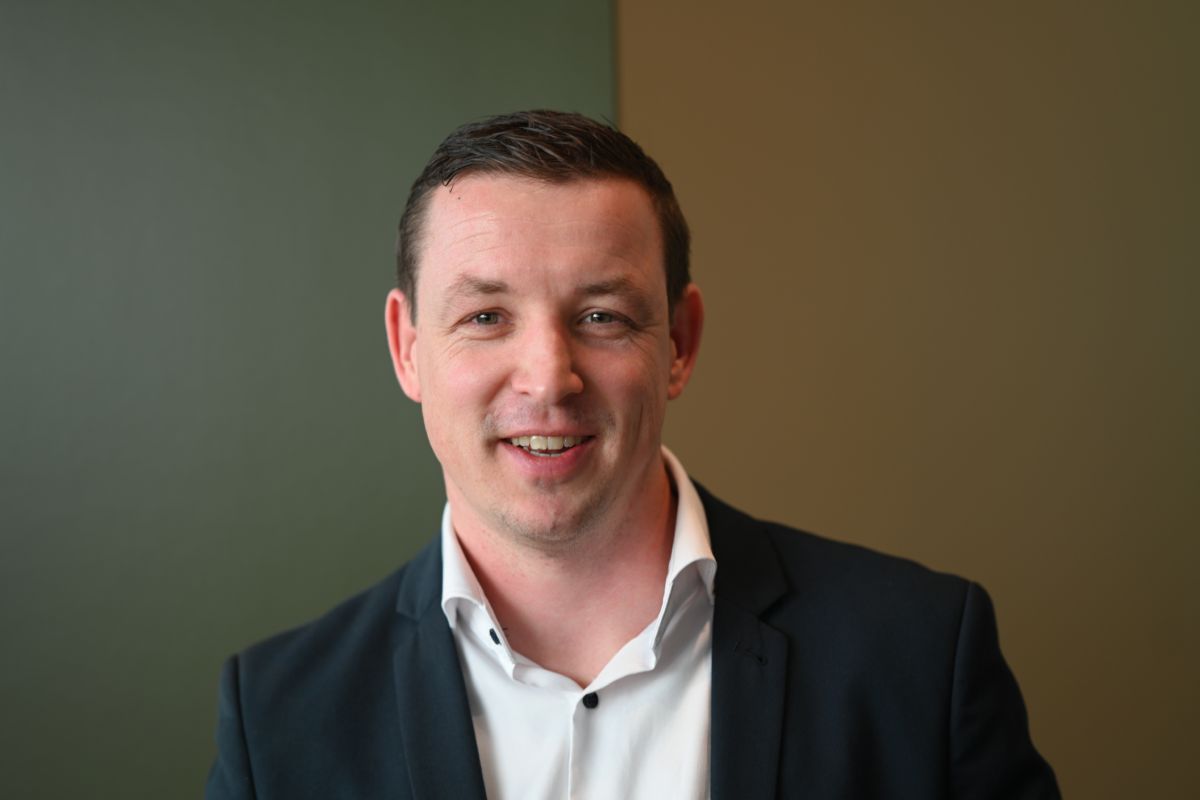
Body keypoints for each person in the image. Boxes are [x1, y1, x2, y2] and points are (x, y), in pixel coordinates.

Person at [206, 110, 1060, 799]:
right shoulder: (278, 720)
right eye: (486, 317)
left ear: (679, 342)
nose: (549, 377)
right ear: (407, 348)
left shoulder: (919, 657)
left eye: (601, 316)